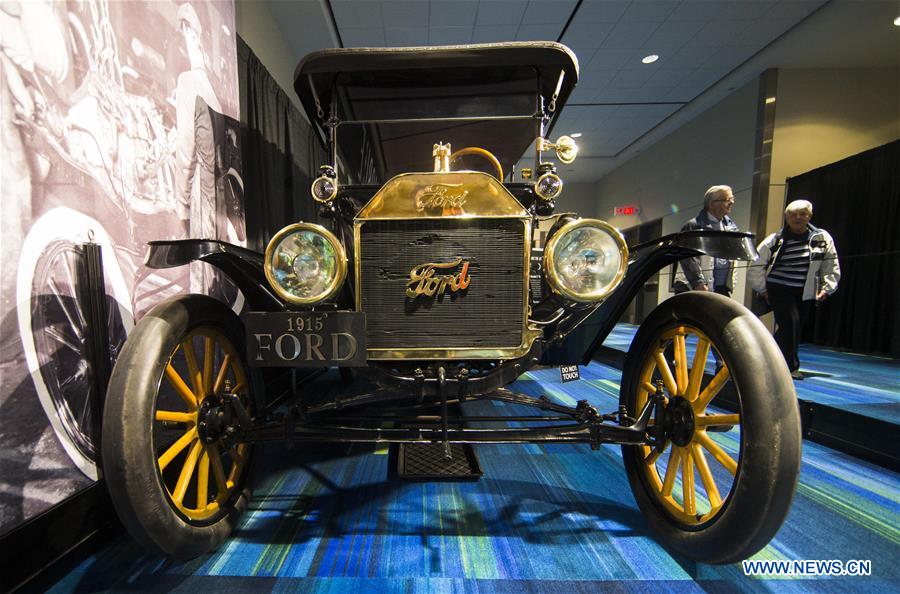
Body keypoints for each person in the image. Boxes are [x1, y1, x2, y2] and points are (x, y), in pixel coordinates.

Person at [749, 200, 840, 380]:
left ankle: (765, 358)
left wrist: (827, 288)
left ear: (809, 216)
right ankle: (790, 367)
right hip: (779, 288)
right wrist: (763, 289)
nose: (798, 218)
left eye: (803, 214)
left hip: (806, 291)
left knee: (793, 328)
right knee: (791, 324)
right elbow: (756, 265)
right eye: (793, 215)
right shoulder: (775, 239)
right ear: (787, 218)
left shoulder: (822, 238)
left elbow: (831, 264)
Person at [673, 185, 740, 296]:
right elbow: (687, 257)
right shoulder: (694, 226)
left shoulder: (731, 227)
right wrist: (698, 282)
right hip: (695, 288)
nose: (732, 202)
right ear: (712, 204)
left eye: (732, 199)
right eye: (727, 200)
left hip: (721, 290)